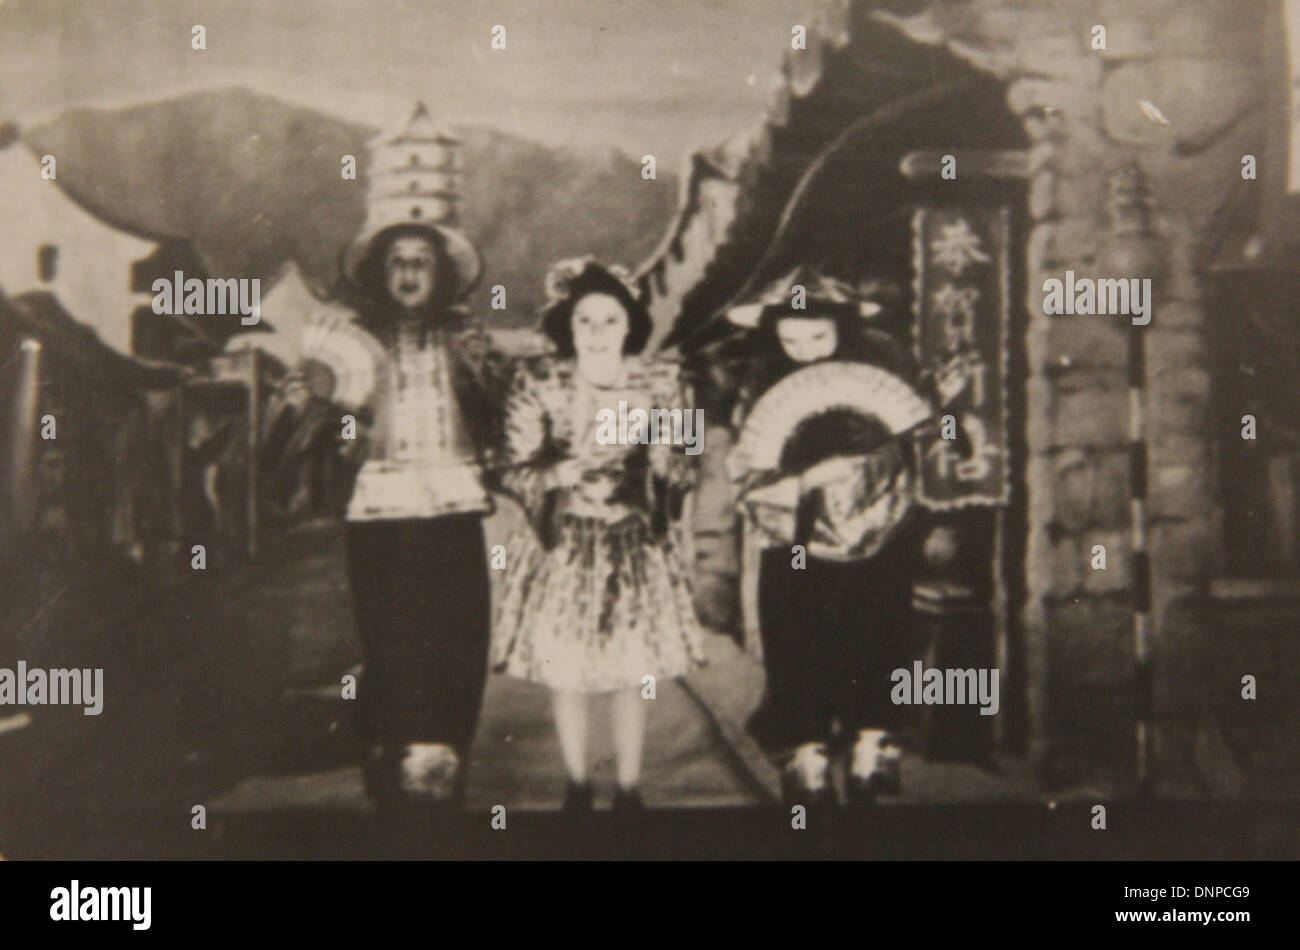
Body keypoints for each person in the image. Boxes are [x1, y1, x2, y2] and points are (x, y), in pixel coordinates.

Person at [492, 258, 705, 812]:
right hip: (562, 538)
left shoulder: (662, 379)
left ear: (629, 325)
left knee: (632, 669)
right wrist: (556, 475)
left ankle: (630, 785)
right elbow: (512, 466)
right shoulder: (541, 379)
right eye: (585, 321)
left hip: (634, 533)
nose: (597, 333)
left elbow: (687, 459)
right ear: (569, 324)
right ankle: (577, 780)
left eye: (609, 321)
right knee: (568, 668)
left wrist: (663, 464)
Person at [727, 269, 926, 807]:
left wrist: (866, 470)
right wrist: (804, 480)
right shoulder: (762, 383)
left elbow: (922, 444)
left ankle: (869, 751)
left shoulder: (886, 368)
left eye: (818, 337)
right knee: (797, 638)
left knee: (875, 633)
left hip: (880, 528)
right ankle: (808, 760)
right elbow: (745, 474)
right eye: (792, 341)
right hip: (794, 536)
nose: (807, 353)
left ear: (842, 328)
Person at [337, 206, 497, 809]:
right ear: (380, 274)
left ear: (442, 275)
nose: (407, 274)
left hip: (452, 503)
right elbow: (333, 437)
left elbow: (497, 414)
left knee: (457, 630)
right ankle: (388, 747)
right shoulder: (356, 344)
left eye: (420, 263)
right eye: (396, 263)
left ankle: (440, 756)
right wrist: (331, 413)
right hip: (379, 505)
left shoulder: (465, 340)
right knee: (391, 634)